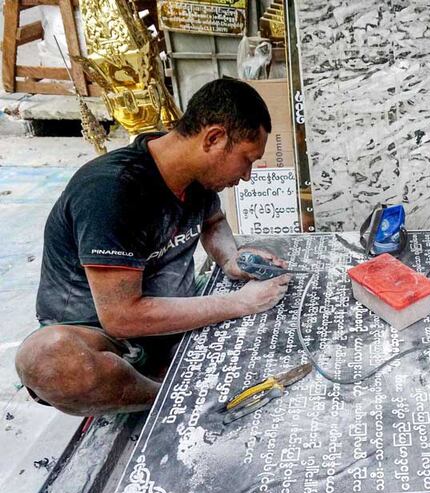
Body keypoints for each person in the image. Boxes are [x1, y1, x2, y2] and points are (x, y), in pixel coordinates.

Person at [15, 79, 291, 416]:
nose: (247, 175)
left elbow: (213, 221)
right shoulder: (111, 191)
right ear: (214, 139)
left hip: (168, 325)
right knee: (49, 361)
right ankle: (163, 398)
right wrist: (238, 304)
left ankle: (161, 380)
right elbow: (121, 316)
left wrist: (231, 258)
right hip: (105, 340)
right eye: (247, 160)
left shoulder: (196, 178)